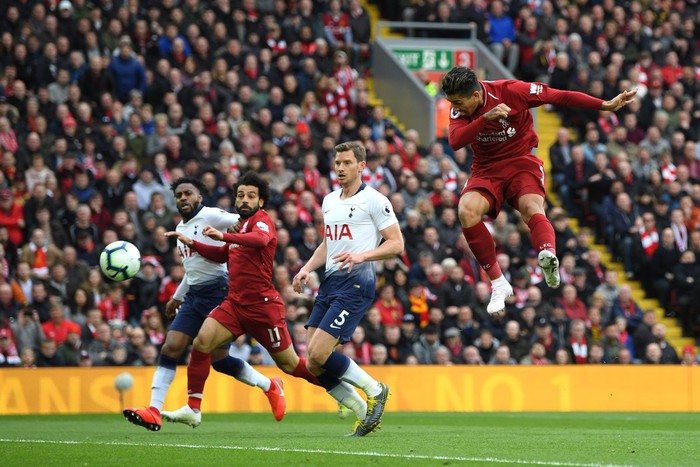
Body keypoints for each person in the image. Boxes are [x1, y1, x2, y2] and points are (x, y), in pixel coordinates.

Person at [163, 171, 368, 431]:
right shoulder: (239, 228)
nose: (244, 200)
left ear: (260, 201)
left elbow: (259, 241)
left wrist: (223, 235)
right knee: (202, 342)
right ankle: (193, 408)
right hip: (235, 305)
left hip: (263, 307)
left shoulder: (262, 222)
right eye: (240, 195)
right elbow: (221, 255)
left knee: (290, 364)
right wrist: (193, 242)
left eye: (251, 195)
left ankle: (348, 395)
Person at [440, 66, 637, 314]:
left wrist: (604, 105)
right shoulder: (460, 105)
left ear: (476, 95)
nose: (456, 107)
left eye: (458, 102)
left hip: (521, 162)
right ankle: (499, 284)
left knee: (531, 208)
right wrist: (485, 118)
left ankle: (548, 255)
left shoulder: (512, 91)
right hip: (486, 169)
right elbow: (456, 141)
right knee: (466, 211)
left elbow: (559, 96)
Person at [123, 177, 283, 432]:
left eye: (188, 194)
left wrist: (234, 232)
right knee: (171, 347)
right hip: (194, 296)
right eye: (179, 195)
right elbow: (192, 269)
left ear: (200, 197)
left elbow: (243, 221)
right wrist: (177, 295)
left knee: (219, 360)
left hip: (219, 292)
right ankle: (153, 410)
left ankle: (270, 386)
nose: (183, 198)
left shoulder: (212, 215)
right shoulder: (180, 230)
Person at [292, 142, 404, 436]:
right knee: (312, 364)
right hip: (330, 282)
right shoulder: (329, 200)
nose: (340, 168)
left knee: (317, 352)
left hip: (357, 283)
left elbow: (396, 243)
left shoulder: (375, 200)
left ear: (361, 166)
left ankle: (375, 389)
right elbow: (329, 243)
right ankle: (363, 411)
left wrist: (362, 255)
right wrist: (306, 268)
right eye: (337, 163)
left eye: (346, 163)